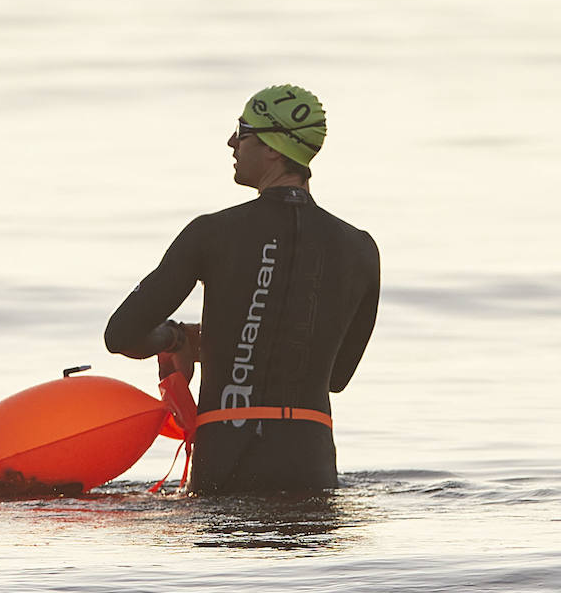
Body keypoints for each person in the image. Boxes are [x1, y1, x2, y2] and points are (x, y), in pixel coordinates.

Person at [104, 85, 380, 494]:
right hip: (311, 469)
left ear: (272, 146)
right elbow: (336, 376)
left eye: (242, 129)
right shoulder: (360, 249)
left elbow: (121, 334)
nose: (232, 141)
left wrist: (179, 338)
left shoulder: (212, 233)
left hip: (227, 466)